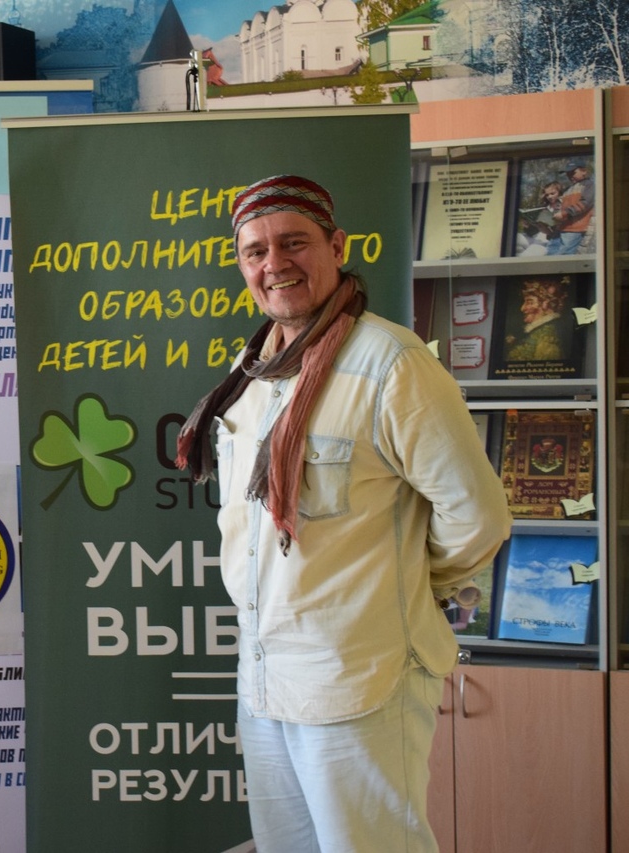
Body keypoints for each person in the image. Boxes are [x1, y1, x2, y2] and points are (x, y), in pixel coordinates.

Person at [175, 175, 511, 852]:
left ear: (336, 246)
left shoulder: (393, 364)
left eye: (294, 242)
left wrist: (411, 584)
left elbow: (477, 515)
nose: (275, 263)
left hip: (361, 675)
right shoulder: (254, 371)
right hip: (266, 676)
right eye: (255, 251)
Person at [504, 276, 569, 363]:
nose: (522, 308)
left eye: (530, 302)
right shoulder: (535, 332)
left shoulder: (548, 337)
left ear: (546, 304)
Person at [546, 161, 595, 255]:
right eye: (567, 174)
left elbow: (584, 204)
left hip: (575, 229)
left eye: (573, 173)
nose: (570, 176)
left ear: (584, 171)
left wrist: (564, 214)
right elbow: (560, 205)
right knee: (551, 251)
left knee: (564, 255)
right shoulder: (568, 189)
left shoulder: (589, 185)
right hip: (562, 227)